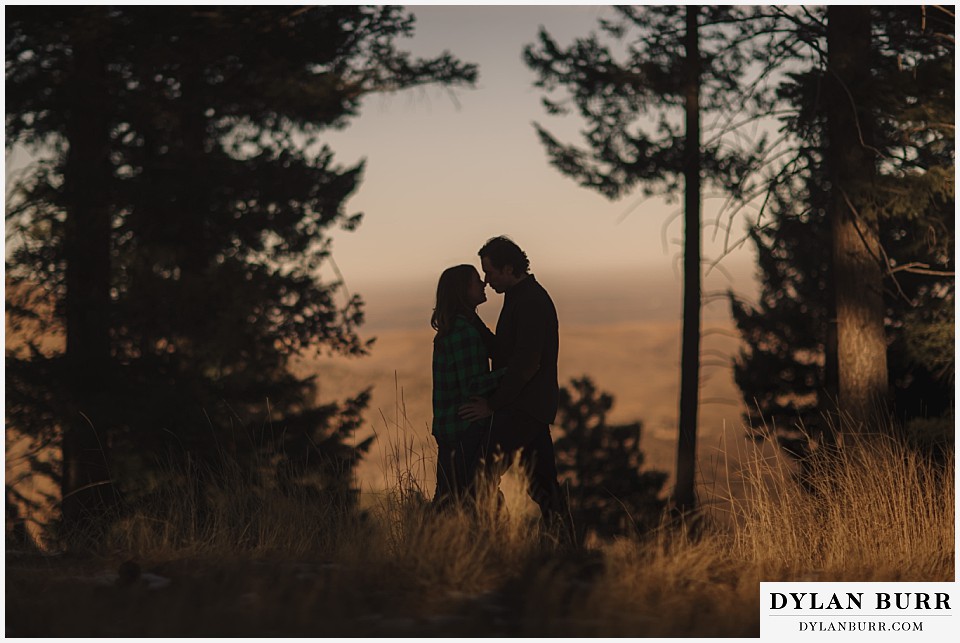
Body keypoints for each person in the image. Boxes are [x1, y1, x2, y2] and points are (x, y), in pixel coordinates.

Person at [459, 236, 569, 535]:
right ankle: (566, 549)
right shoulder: (521, 296)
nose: (487, 280)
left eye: (490, 273)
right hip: (531, 406)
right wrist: (473, 320)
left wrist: (492, 405)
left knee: (480, 476)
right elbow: (505, 352)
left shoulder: (530, 301)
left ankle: (498, 539)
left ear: (509, 268)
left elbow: (525, 365)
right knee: (544, 487)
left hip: (521, 407)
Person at [430, 264, 502, 510]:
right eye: (475, 281)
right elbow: (472, 384)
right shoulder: (464, 332)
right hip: (465, 427)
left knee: (450, 497)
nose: (483, 283)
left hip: (452, 426)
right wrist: (512, 373)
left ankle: (431, 543)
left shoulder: (458, 327)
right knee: (469, 498)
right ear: (462, 290)